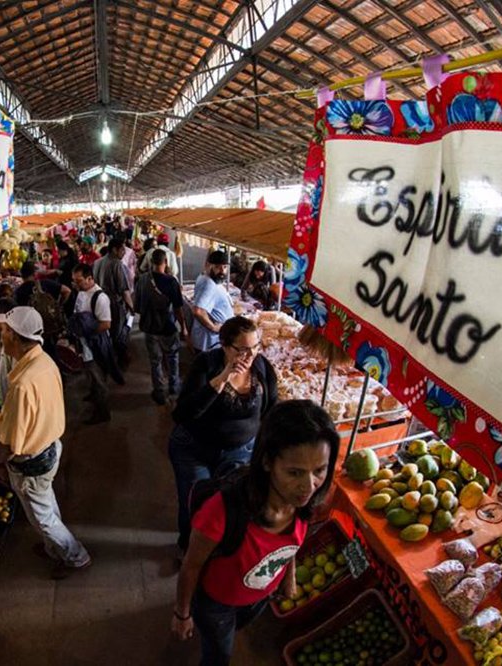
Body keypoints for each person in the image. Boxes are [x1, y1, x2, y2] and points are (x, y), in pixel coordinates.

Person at [171, 400, 340, 666]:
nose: (309, 486)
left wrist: (288, 577)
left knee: (231, 632)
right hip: (217, 606)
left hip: (259, 599)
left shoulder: (303, 504)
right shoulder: (222, 512)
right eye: (295, 472)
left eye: (319, 470)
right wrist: (182, 614)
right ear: (267, 462)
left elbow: (290, 544)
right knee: (219, 655)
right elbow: (191, 566)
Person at [0, 307, 91, 579]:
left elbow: (11, 441)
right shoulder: (43, 361)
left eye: (6, 332)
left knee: (41, 516)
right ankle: (53, 547)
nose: (2, 336)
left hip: (32, 461)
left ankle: (75, 556)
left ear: (17, 337)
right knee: (46, 505)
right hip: (49, 448)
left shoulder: (23, 384)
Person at [169, 317, 278, 551]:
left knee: (228, 503)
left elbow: (271, 408)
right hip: (194, 450)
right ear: (226, 346)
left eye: (256, 346)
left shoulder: (261, 368)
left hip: (240, 452)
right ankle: (189, 548)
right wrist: (220, 380)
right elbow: (183, 413)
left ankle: (216, 548)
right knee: (195, 503)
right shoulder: (206, 365)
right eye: (244, 349)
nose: (251, 355)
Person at [70, 263, 122, 424]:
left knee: (99, 378)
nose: (75, 284)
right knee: (90, 374)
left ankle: (102, 412)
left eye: (79, 281)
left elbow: (106, 324)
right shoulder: (81, 292)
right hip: (84, 345)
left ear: (90, 278)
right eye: (74, 281)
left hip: (95, 346)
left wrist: (86, 332)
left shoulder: (100, 298)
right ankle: (93, 395)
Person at [135, 249, 187, 405]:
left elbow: (137, 307)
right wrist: (183, 327)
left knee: (155, 361)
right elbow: (178, 308)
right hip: (167, 327)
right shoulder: (171, 282)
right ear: (166, 262)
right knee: (172, 357)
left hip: (149, 328)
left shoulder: (142, 280)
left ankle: (158, 391)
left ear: (151, 262)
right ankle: (173, 387)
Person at [93, 237, 134, 366]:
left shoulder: (98, 262)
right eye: (122, 250)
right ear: (114, 250)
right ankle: (118, 360)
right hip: (113, 304)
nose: (124, 252)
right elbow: (124, 291)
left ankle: (108, 358)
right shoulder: (117, 264)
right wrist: (131, 307)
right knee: (118, 332)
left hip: (99, 302)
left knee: (106, 332)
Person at [190, 250, 233, 352]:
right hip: (209, 341)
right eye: (218, 267)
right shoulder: (209, 284)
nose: (222, 271)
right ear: (209, 265)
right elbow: (198, 311)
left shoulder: (204, 277)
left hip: (205, 339)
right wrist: (213, 327)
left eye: (225, 267)